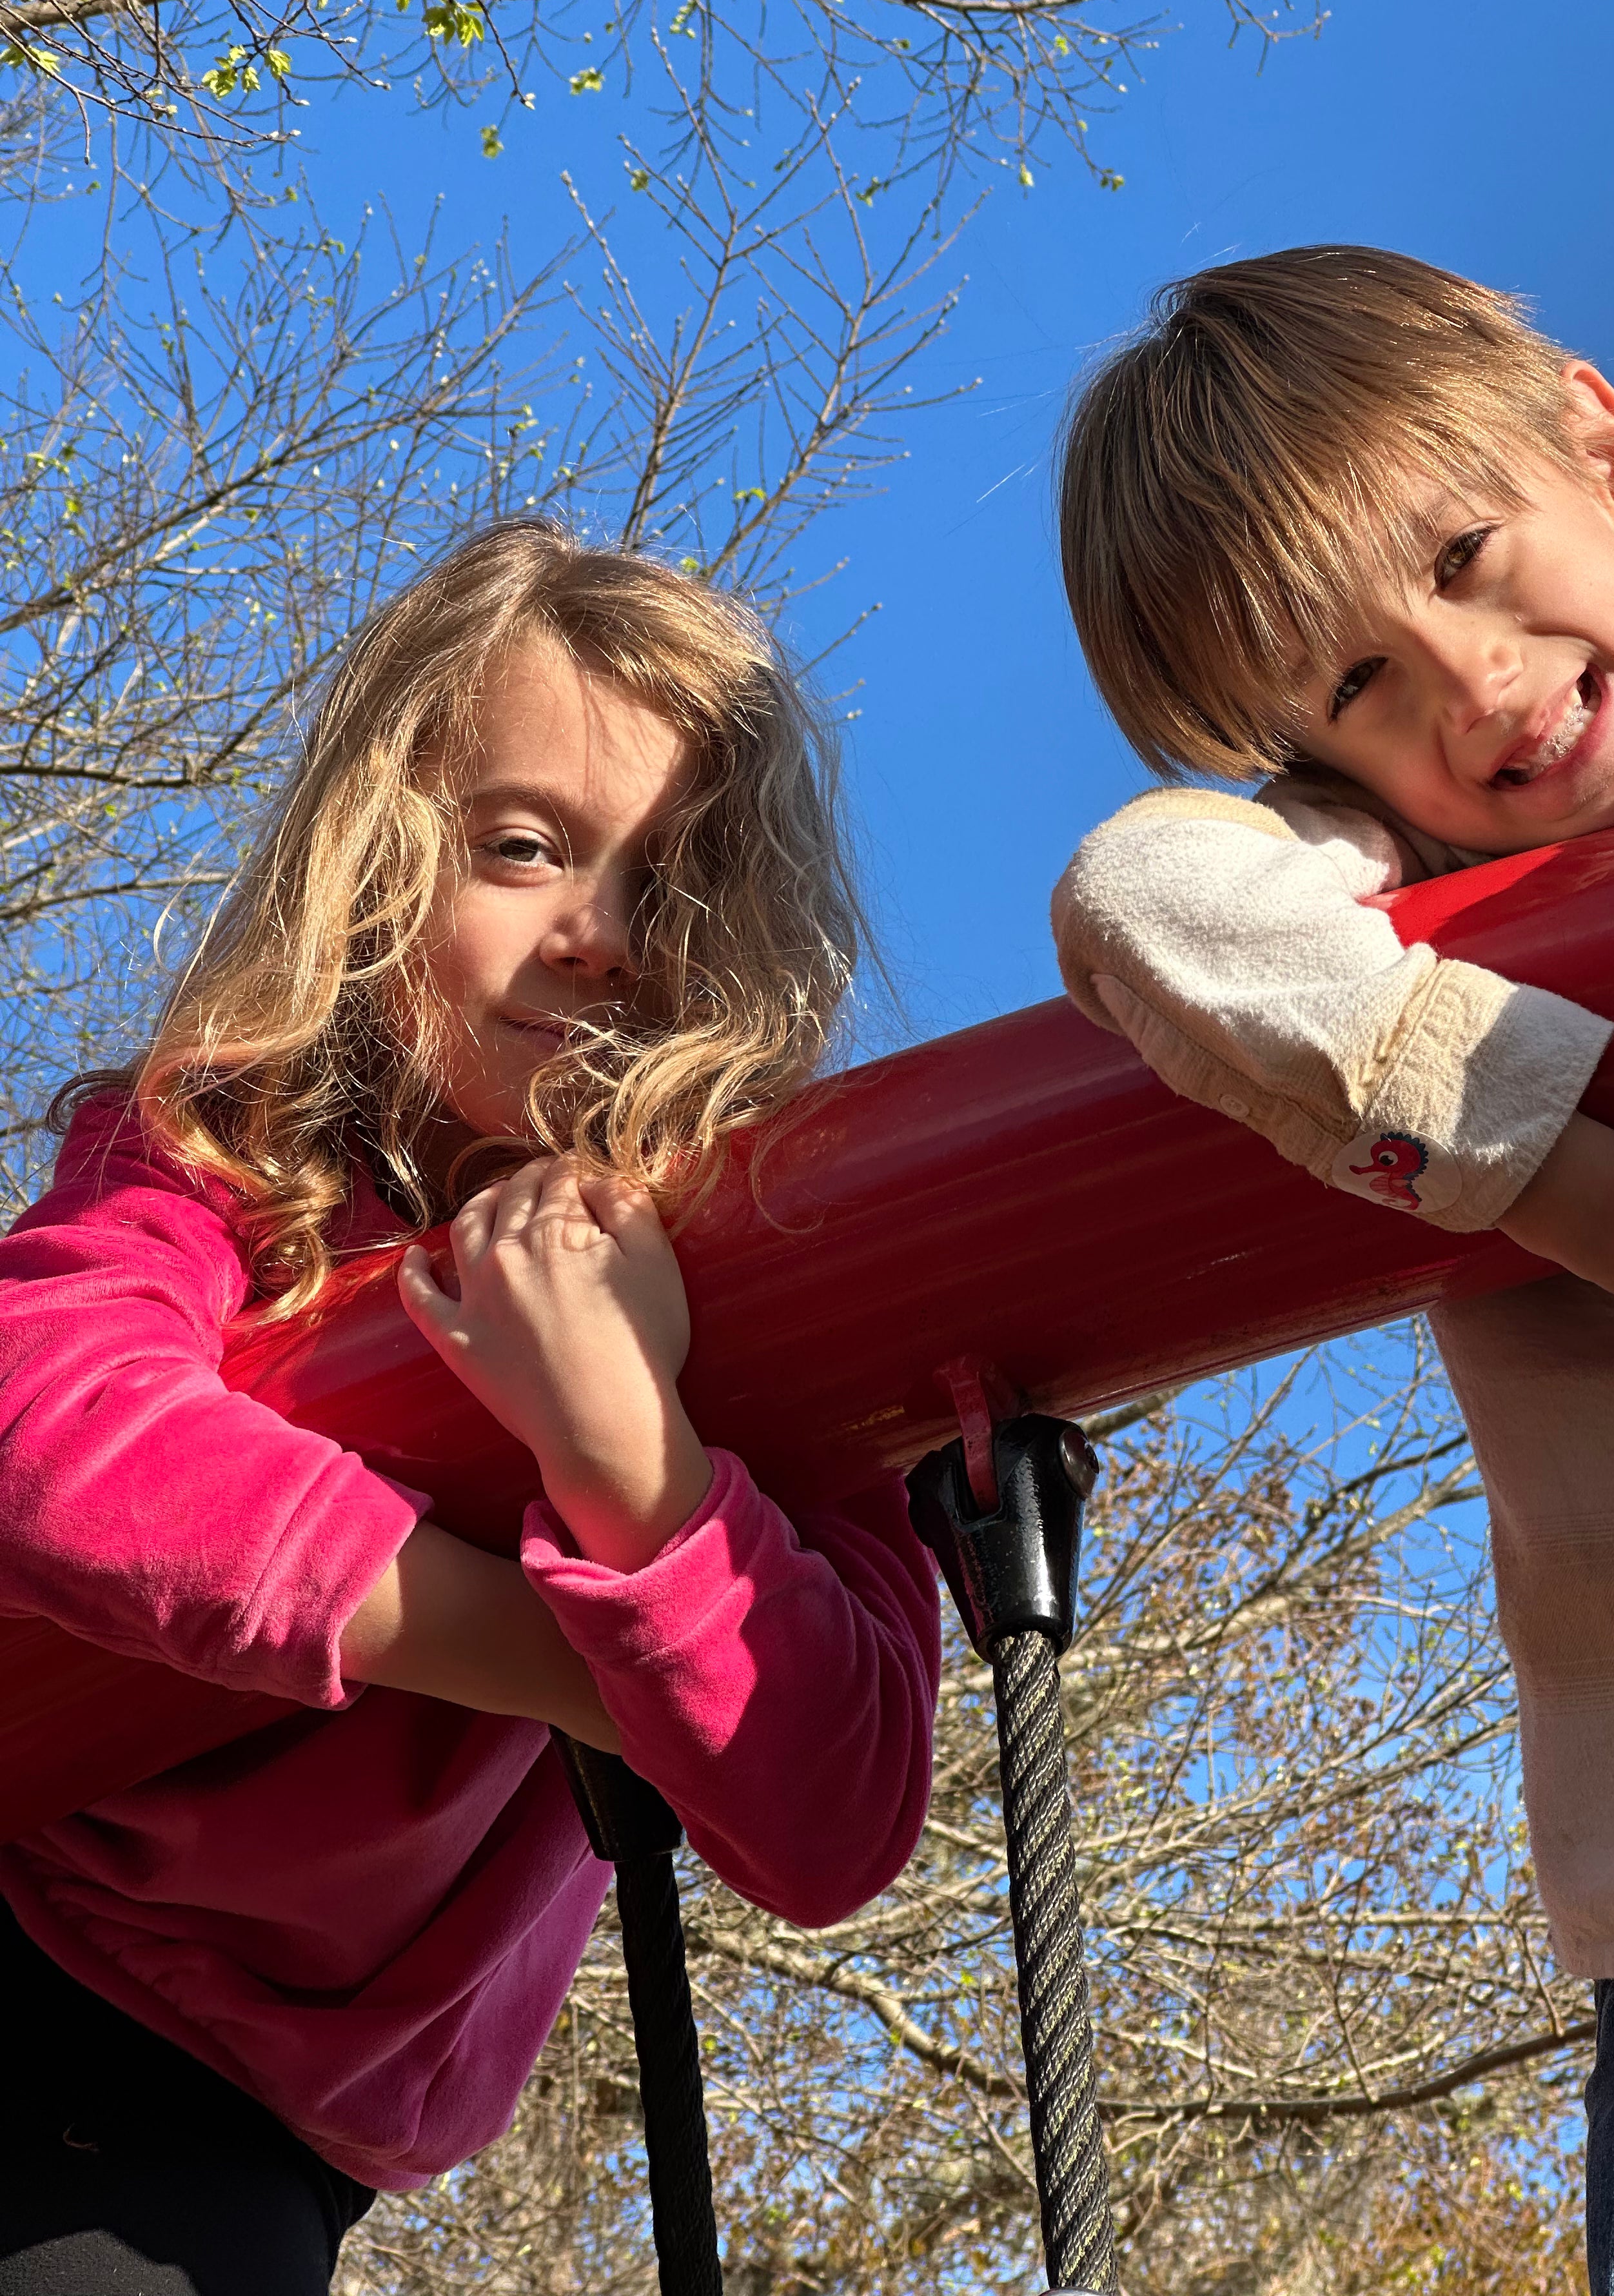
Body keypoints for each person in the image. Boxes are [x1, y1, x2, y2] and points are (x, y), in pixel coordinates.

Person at [1052, 246, 1614, 2296]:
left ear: (1603, 445)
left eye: (1466, 554)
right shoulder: (1384, 889)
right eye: (1355, 686)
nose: (1465, 683)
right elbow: (1140, 888)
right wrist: (1579, 1182)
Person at [0, 522, 940, 2295]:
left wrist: (635, 1465)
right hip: (44, 1946)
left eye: (672, 884)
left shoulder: (765, 1315)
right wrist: (580, 1661)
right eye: (524, 849)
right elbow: (55, 1438)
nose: (600, 937)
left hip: (276, 2122)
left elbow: (834, 1814)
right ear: (378, 867)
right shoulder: (220, 1161)